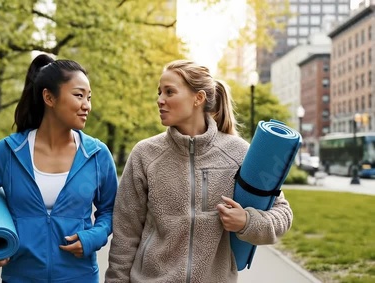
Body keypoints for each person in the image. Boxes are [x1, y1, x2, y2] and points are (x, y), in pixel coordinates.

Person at [105, 59, 293, 283]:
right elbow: (126, 233)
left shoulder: (238, 153)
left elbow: (283, 214)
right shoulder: (145, 154)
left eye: (169, 92)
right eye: (159, 92)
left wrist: (246, 221)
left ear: (198, 98)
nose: (160, 100)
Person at [0, 54, 118, 283]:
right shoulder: (10, 152)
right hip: (20, 277)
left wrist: (93, 237)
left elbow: (111, 211)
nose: (86, 105)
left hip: (80, 277)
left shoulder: (97, 155)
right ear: (49, 97)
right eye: (79, 96)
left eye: (89, 97)